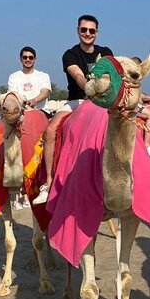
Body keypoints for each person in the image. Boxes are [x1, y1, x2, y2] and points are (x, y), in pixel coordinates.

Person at [33, 14, 113, 204]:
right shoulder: (70, 54)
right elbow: (77, 75)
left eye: (91, 30)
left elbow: (112, 75)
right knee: (51, 130)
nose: (88, 33)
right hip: (78, 100)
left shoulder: (106, 52)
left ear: (97, 32)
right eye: (84, 30)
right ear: (78, 31)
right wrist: (90, 88)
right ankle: (49, 182)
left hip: (103, 101)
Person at [131, 57, 150, 158]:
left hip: (134, 103)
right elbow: (138, 96)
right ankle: (147, 145)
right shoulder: (133, 78)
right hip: (131, 105)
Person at [7, 46, 52, 113]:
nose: (28, 60)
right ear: (20, 59)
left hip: (40, 111)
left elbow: (45, 93)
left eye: (31, 57)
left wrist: (34, 101)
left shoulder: (43, 76)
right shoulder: (13, 77)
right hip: (20, 112)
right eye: (25, 57)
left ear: (35, 59)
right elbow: (13, 95)